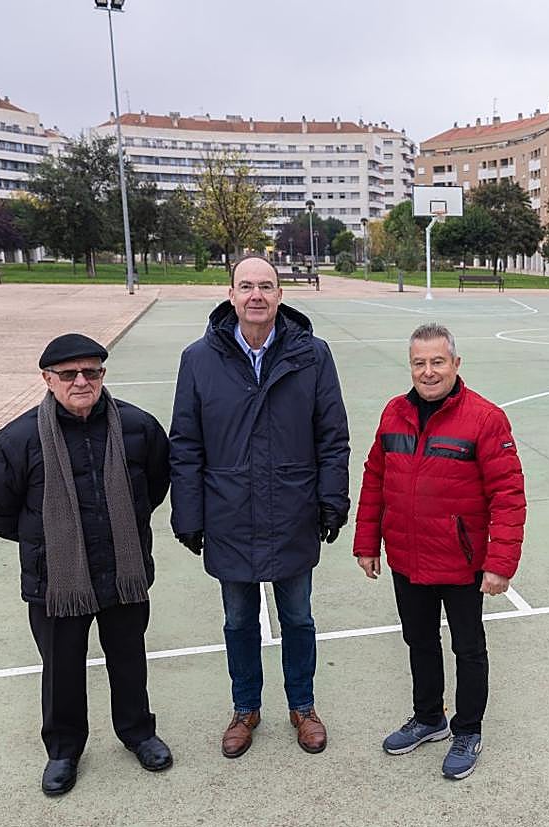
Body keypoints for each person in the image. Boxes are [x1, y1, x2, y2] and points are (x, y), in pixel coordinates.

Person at [0, 333, 173, 797]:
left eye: (92, 372)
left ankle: (138, 732)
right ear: (47, 379)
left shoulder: (139, 428)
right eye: (69, 374)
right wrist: (43, 542)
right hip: (56, 580)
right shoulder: (18, 439)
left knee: (129, 658)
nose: (81, 381)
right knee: (61, 667)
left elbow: (155, 486)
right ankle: (63, 751)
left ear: (103, 374)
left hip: (124, 571)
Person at [169, 254, 350, 759]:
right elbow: (185, 443)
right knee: (237, 620)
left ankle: (303, 706)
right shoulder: (199, 359)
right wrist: (189, 513)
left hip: (292, 510)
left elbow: (332, 437)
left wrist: (332, 498)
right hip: (228, 512)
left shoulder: (314, 355)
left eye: (266, 286)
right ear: (230, 294)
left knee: (297, 617)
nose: (256, 295)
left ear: (280, 294)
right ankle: (245, 708)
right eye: (246, 286)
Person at [352, 323, 526, 780]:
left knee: (468, 649)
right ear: (410, 365)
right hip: (407, 558)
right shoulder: (393, 414)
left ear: (455, 364)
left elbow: (508, 495)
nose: (428, 372)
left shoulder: (486, 419)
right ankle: (428, 718)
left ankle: (466, 729)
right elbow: (375, 480)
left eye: (437, 362)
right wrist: (367, 542)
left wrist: (499, 563)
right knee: (419, 642)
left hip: (462, 562)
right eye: (419, 363)